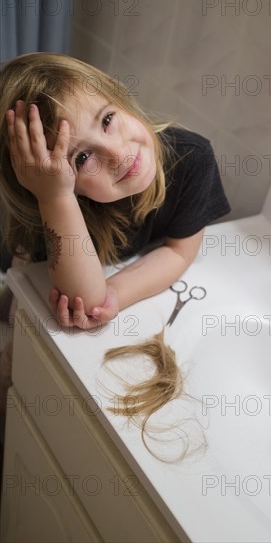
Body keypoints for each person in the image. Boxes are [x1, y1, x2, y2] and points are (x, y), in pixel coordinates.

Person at [0, 52, 231, 413]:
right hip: (33, 269)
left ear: (120, 99)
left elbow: (180, 251)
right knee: (16, 370)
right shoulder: (54, 202)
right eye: (81, 158)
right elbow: (85, 300)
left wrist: (117, 294)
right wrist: (55, 196)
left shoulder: (193, 158)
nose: (117, 153)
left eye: (107, 119)